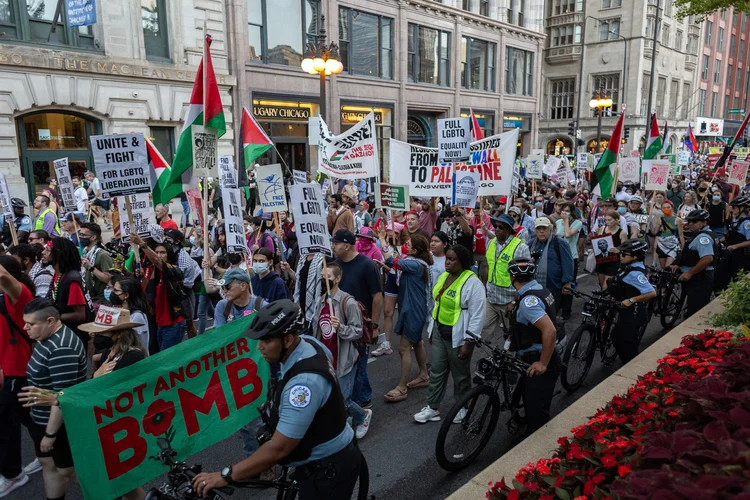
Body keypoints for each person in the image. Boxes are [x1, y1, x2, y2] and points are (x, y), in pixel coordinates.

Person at [192, 300, 365, 500]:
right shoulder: (309, 342)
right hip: (325, 452)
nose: (259, 347)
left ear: (288, 339)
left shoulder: (302, 387)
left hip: (330, 466)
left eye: (266, 341)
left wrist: (226, 475)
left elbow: (279, 448)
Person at [21, 298, 87, 500]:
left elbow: (62, 397)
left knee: (68, 470)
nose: (25, 328)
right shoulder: (45, 338)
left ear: (51, 321)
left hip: (58, 425)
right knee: (49, 464)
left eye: (31, 324)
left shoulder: (61, 349)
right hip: (41, 418)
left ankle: (115, 492)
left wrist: (50, 434)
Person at [413, 245, 485, 424]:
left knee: (460, 375)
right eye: (447, 259)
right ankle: (433, 408)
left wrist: (469, 341)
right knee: (436, 371)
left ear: (463, 262)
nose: (448, 263)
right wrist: (431, 330)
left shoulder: (473, 282)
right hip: (439, 332)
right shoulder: (444, 276)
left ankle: (463, 407)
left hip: (459, 337)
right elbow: (437, 305)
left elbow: (478, 314)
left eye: (453, 260)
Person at [311, 262, 372, 439]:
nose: (323, 280)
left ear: (337, 279)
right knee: (331, 397)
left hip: (344, 358)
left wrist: (341, 328)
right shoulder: (320, 301)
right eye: (322, 277)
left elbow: (357, 331)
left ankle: (362, 415)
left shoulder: (348, 302)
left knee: (344, 399)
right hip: (327, 358)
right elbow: (317, 330)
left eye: (327, 278)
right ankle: (340, 426)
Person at [506, 258, 560, 434]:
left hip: (538, 359)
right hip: (537, 353)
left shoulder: (528, 301)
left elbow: (550, 331)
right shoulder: (539, 289)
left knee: (537, 417)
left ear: (512, 276)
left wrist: (543, 363)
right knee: (529, 399)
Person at [333, 229, 382, 410]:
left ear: (346, 245)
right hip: (341, 324)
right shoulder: (335, 265)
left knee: (358, 363)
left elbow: (377, 296)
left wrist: (374, 325)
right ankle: (360, 395)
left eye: (336, 243)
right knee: (348, 364)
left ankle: (361, 402)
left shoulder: (367, 265)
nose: (333, 247)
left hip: (360, 326)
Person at [0, 257, 36, 497]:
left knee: (6, 423)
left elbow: (3, 276)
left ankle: (14, 474)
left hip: (17, 370)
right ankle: (51, 453)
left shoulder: (20, 296)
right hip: (6, 369)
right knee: (28, 416)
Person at [383, 234, 433, 403]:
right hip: (412, 309)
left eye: (408, 244)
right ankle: (424, 375)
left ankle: (402, 388)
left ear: (415, 250)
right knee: (417, 342)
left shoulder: (415, 264)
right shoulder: (417, 263)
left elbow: (392, 262)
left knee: (404, 348)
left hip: (413, 311)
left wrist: (383, 240)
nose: (405, 245)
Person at [131, 233, 187, 350]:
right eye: (157, 252)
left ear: (169, 255)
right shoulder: (155, 272)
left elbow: (156, 261)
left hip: (173, 324)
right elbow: (147, 290)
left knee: (167, 362)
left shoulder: (174, 271)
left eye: (163, 252)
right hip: (160, 324)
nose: (159, 255)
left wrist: (141, 243)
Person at [605, 239, 656, 364]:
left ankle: (631, 368)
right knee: (618, 337)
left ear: (634, 257)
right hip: (626, 311)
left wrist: (631, 300)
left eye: (624, 254)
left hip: (634, 313)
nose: (620, 256)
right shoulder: (628, 266)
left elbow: (652, 292)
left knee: (626, 344)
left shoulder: (635, 273)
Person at [482, 214, 530, 338]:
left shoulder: (520, 248)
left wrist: (515, 301)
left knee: (511, 337)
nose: (496, 229)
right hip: (491, 298)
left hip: (508, 301)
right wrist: (484, 290)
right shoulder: (491, 243)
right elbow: (488, 266)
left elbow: (526, 280)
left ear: (508, 229)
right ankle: (489, 356)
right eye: (495, 226)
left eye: (501, 227)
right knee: (482, 333)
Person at [42, 237, 91, 346]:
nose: (43, 252)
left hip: (74, 338)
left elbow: (80, 315)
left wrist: (50, 318)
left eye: (47, 250)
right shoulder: (58, 274)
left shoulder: (71, 279)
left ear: (59, 254)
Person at [673, 209, 715, 318]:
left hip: (700, 278)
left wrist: (690, 273)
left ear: (704, 222)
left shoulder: (703, 238)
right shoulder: (697, 234)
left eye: (694, 222)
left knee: (695, 313)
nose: (690, 224)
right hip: (695, 277)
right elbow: (690, 254)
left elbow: (707, 258)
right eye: (689, 221)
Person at [164, 229, 201, 339]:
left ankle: (194, 344)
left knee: (188, 321)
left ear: (176, 241)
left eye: (168, 237)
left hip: (186, 291)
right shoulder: (171, 252)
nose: (165, 239)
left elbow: (182, 281)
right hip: (176, 289)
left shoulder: (183, 258)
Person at [110, 275, 152, 353]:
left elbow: (137, 344)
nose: (112, 293)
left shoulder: (137, 317)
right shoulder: (120, 311)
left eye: (116, 290)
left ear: (126, 295)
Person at [555, 202, 582, 320]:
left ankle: (566, 310)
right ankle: (557, 307)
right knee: (557, 282)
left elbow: (568, 234)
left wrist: (566, 221)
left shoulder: (578, 223)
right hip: (558, 256)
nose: (565, 213)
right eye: (563, 210)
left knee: (568, 284)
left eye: (567, 211)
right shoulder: (556, 223)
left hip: (571, 257)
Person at [79, 222, 114, 306]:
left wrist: (90, 267)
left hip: (102, 301)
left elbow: (109, 279)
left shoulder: (103, 255)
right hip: (90, 299)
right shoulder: (85, 252)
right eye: (80, 234)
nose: (80, 237)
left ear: (93, 237)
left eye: (83, 235)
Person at [594, 211, 626, 290]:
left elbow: (625, 249)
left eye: (610, 220)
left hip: (613, 262)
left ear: (616, 220)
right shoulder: (601, 229)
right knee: (602, 286)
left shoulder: (622, 233)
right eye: (606, 220)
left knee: (606, 286)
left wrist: (618, 250)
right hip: (601, 261)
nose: (607, 222)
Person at [293, 253, 325, 326]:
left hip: (315, 304)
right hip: (302, 303)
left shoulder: (323, 259)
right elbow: (298, 280)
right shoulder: (302, 257)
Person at [653, 201, 684, 269]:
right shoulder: (660, 219)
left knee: (668, 267)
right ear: (661, 209)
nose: (666, 209)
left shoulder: (678, 220)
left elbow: (681, 235)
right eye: (664, 208)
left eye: (668, 207)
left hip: (672, 245)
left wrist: (684, 247)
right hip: (661, 244)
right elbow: (654, 232)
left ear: (672, 208)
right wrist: (654, 222)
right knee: (663, 267)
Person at [725, 196, 750, 279]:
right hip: (732, 256)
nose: (732, 209)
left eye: (734, 207)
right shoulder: (735, 220)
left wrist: (736, 246)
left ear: (742, 208)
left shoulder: (746, 223)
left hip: (742, 257)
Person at [469, 203, 495, 283]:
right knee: (474, 273)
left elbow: (493, 237)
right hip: (475, 251)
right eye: (474, 212)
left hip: (485, 252)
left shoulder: (490, 220)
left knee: (483, 274)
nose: (476, 214)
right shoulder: (472, 219)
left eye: (477, 211)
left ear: (482, 210)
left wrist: (486, 230)